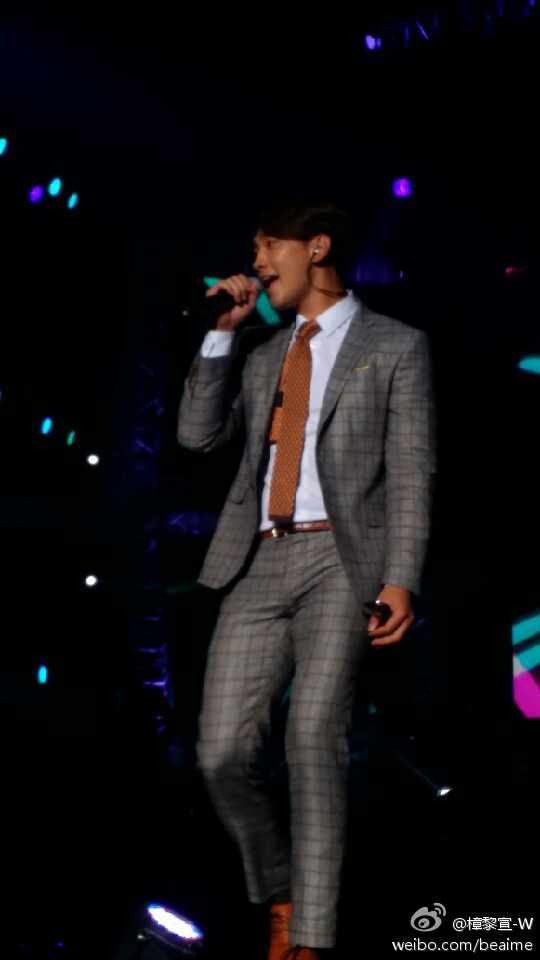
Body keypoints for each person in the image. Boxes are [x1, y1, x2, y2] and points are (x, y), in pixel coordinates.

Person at [177, 200, 437, 959]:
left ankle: (311, 940)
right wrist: (222, 336)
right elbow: (196, 436)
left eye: (268, 246)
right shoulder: (262, 353)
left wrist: (402, 577)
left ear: (315, 246)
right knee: (220, 754)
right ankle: (281, 890)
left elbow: (412, 471)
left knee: (313, 734)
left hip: (341, 560)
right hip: (257, 559)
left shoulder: (396, 344)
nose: (256, 263)